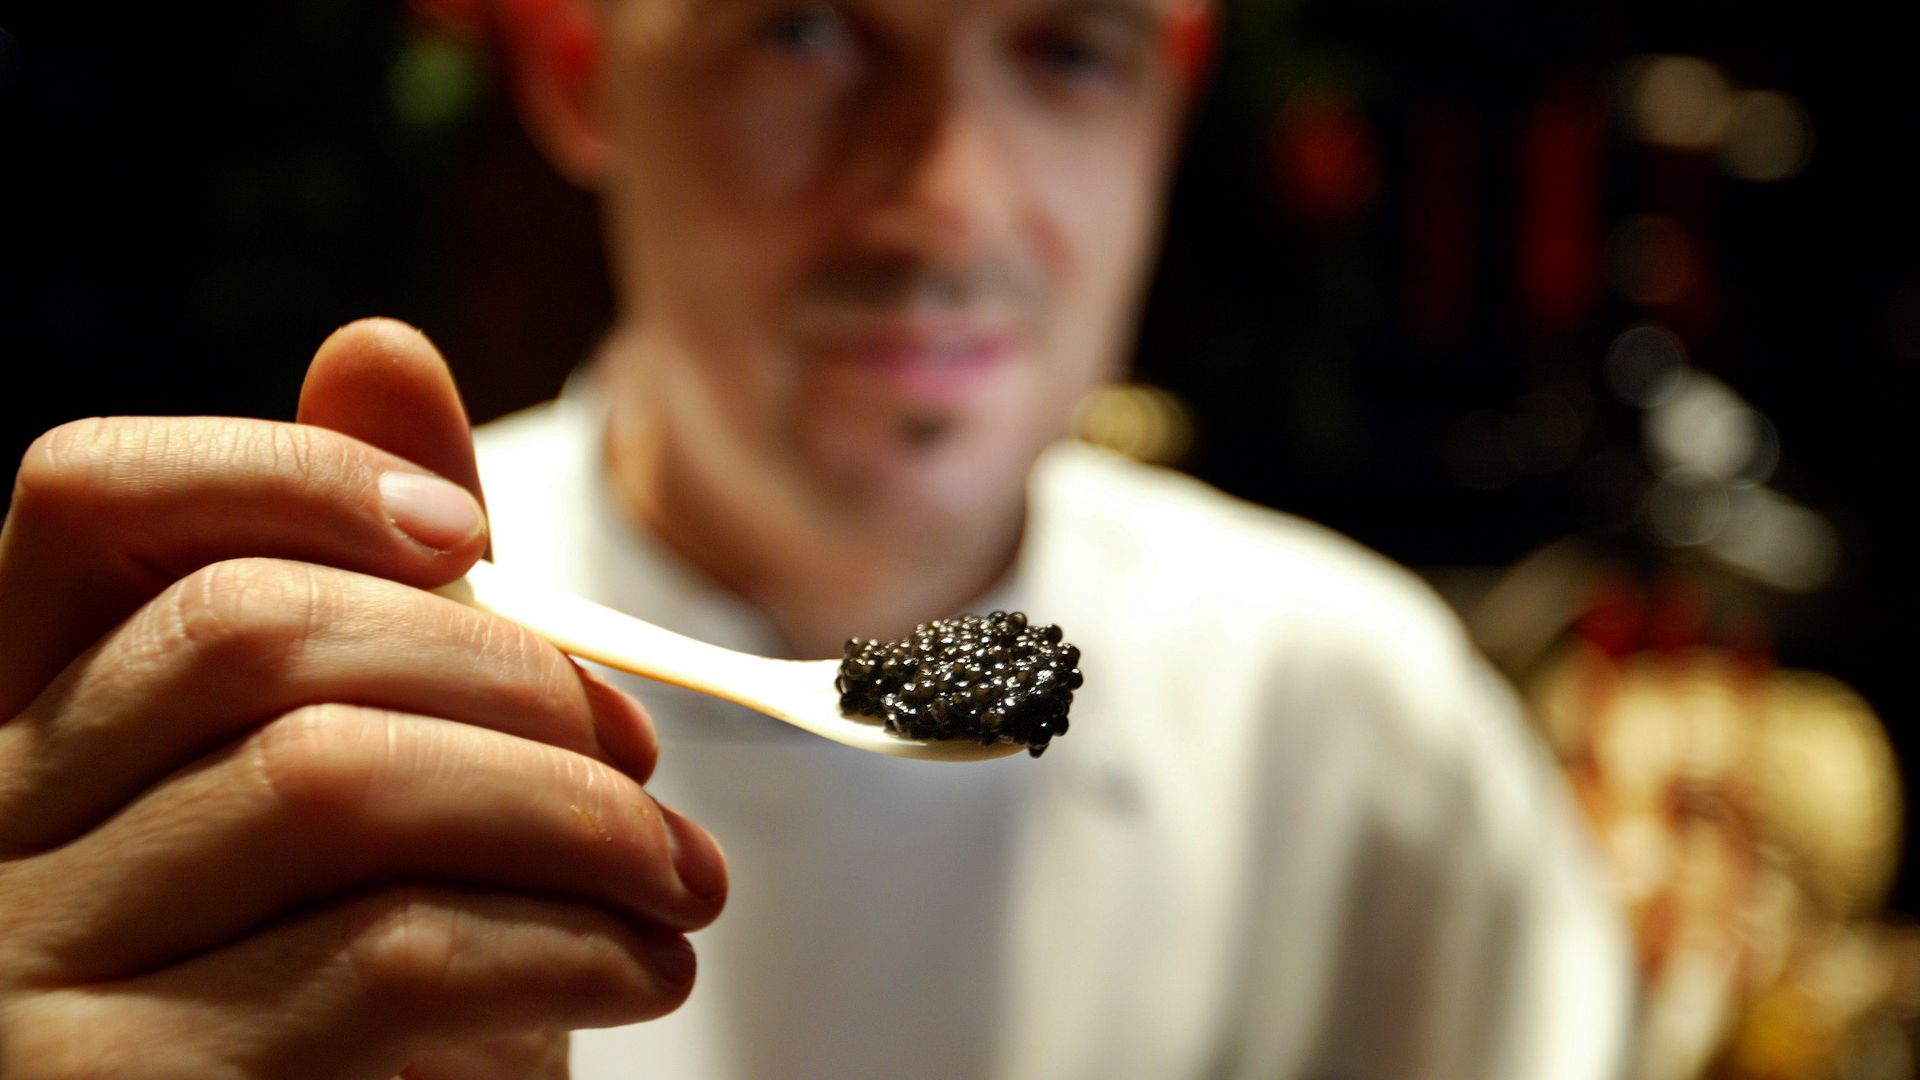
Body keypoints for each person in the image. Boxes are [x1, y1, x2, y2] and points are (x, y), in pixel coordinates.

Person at [0, 0, 1632, 1076]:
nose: (947, 202)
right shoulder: (288, 693)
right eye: (803, 30)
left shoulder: (1356, 722)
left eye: (1068, 48)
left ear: (1166, 107)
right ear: (578, 71)